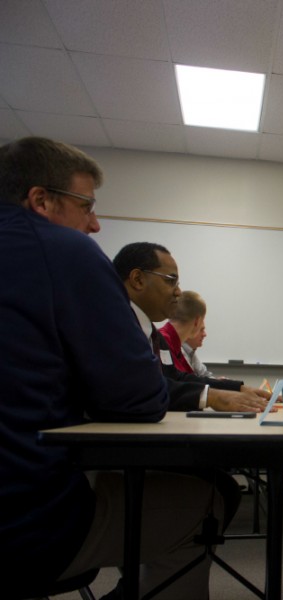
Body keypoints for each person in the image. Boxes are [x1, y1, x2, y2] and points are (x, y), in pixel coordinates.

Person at [0, 136, 222, 597]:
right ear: (41, 200)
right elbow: (138, 398)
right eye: (87, 206)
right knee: (210, 498)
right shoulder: (64, 250)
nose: (96, 225)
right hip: (23, 520)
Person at [113, 242, 270, 413]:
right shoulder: (114, 326)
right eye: (170, 281)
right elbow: (139, 387)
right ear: (138, 279)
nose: (178, 292)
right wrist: (211, 397)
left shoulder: (152, 335)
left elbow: (177, 378)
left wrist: (236, 389)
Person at [159, 290, 206, 374]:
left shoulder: (174, 343)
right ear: (197, 321)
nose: (205, 334)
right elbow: (179, 382)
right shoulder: (162, 341)